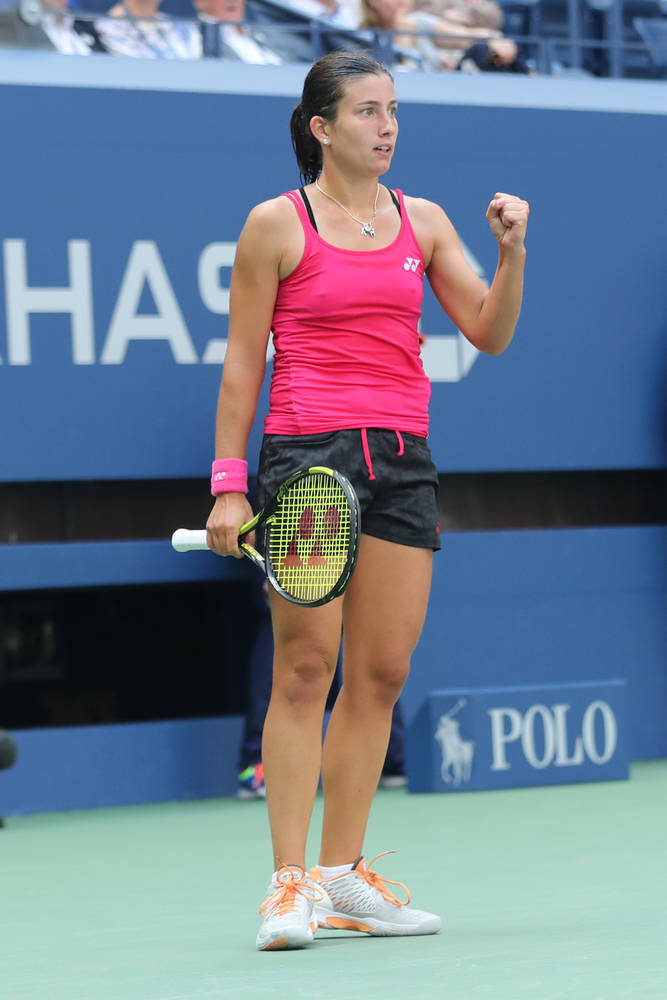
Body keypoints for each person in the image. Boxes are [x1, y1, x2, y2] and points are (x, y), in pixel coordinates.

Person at [205, 49, 529, 951]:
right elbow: (242, 363)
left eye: (394, 110)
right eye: (367, 112)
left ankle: (344, 876)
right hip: (308, 456)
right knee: (305, 671)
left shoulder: (421, 221)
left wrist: (510, 254)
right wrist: (229, 488)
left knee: (380, 673)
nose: (386, 127)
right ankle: (287, 885)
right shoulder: (275, 224)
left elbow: (489, 332)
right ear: (321, 126)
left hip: (403, 460)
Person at [360, 0, 502, 71]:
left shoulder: (420, 21)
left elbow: (468, 37)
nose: (403, 1)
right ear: (372, 2)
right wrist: (404, 34)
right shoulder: (359, 37)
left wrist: (496, 40)